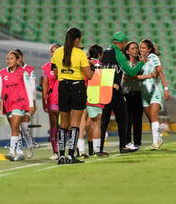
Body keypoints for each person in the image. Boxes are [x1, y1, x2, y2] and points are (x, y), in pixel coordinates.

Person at [51, 27, 94, 164]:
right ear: (77, 40)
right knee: (75, 123)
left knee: (63, 123)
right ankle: (71, 155)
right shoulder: (80, 53)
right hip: (78, 88)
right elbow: (89, 76)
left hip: (63, 87)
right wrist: (92, 67)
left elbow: (56, 74)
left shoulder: (57, 52)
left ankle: (61, 155)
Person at [99, 31, 145, 156]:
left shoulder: (104, 52)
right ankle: (123, 146)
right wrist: (142, 62)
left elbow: (99, 70)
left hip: (103, 90)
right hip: (115, 90)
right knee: (123, 117)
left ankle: (100, 148)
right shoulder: (119, 54)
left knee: (104, 120)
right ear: (123, 43)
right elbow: (130, 72)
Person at [0, 50, 35, 161]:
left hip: (20, 102)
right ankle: (20, 152)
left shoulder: (23, 72)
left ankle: (12, 151)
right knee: (15, 128)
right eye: (7, 58)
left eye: (11, 58)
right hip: (8, 103)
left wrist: (31, 104)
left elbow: (29, 89)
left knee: (17, 126)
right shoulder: (2, 73)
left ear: (18, 60)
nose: (9, 61)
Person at [137, 39, 166, 150]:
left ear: (149, 50)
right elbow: (134, 76)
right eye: (140, 47)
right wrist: (149, 75)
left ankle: (155, 143)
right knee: (150, 118)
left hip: (155, 90)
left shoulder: (153, 57)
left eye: (143, 48)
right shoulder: (139, 60)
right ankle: (158, 138)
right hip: (144, 92)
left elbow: (159, 69)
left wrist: (166, 88)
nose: (141, 49)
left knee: (154, 116)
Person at [14, 49, 37, 159]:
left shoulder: (29, 70)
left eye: (16, 58)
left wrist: (33, 103)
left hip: (27, 102)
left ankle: (30, 145)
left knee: (24, 127)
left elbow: (33, 88)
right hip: (16, 102)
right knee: (16, 127)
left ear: (21, 57)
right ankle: (19, 152)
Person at [42, 43, 61, 160]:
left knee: (67, 126)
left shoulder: (66, 65)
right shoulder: (46, 67)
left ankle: (71, 149)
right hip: (52, 99)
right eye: (52, 51)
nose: (54, 53)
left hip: (65, 98)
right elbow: (45, 85)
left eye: (56, 51)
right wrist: (44, 100)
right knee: (54, 125)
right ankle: (55, 151)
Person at [122, 41, 144, 149]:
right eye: (132, 48)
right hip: (127, 94)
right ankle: (127, 142)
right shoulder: (125, 64)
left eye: (136, 48)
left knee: (138, 119)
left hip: (138, 93)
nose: (136, 50)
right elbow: (128, 75)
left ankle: (137, 143)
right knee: (128, 119)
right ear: (127, 51)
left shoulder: (141, 63)